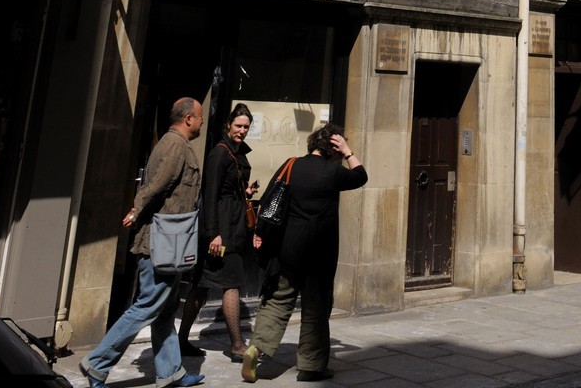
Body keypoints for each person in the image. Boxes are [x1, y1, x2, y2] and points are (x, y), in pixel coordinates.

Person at [80, 97, 206, 388]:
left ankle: (171, 371)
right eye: (199, 117)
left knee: (165, 309)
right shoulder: (176, 146)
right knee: (148, 305)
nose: (201, 121)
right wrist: (137, 208)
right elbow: (157, 185)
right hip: (160, 244)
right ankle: (97, 364)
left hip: (168, 244)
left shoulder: (172, 143)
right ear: (188, 118)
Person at [241, 122, 367, 384]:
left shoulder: (292, 164)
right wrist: (348, 151)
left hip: (289, 249)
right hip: (320, 251)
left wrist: (260, 232)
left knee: (278, 299)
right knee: (316, 309)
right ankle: (311, 366)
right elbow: (360, 176)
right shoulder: (333, 172)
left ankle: (256, 348)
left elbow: (269, 199)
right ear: (332, 147)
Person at [178, 103, 257, 362]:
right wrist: (213, 234)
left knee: (201, 286)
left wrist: (244, 192)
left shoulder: (236, 153)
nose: (242, 130)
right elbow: (209, 195)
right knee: (231, 282)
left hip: (231, 226)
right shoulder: (219, 154)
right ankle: (236, 345)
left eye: (246, 126)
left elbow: (226, 189)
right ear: (228, 125)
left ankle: (180, 341)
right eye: (238, 126)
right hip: (221, 231)